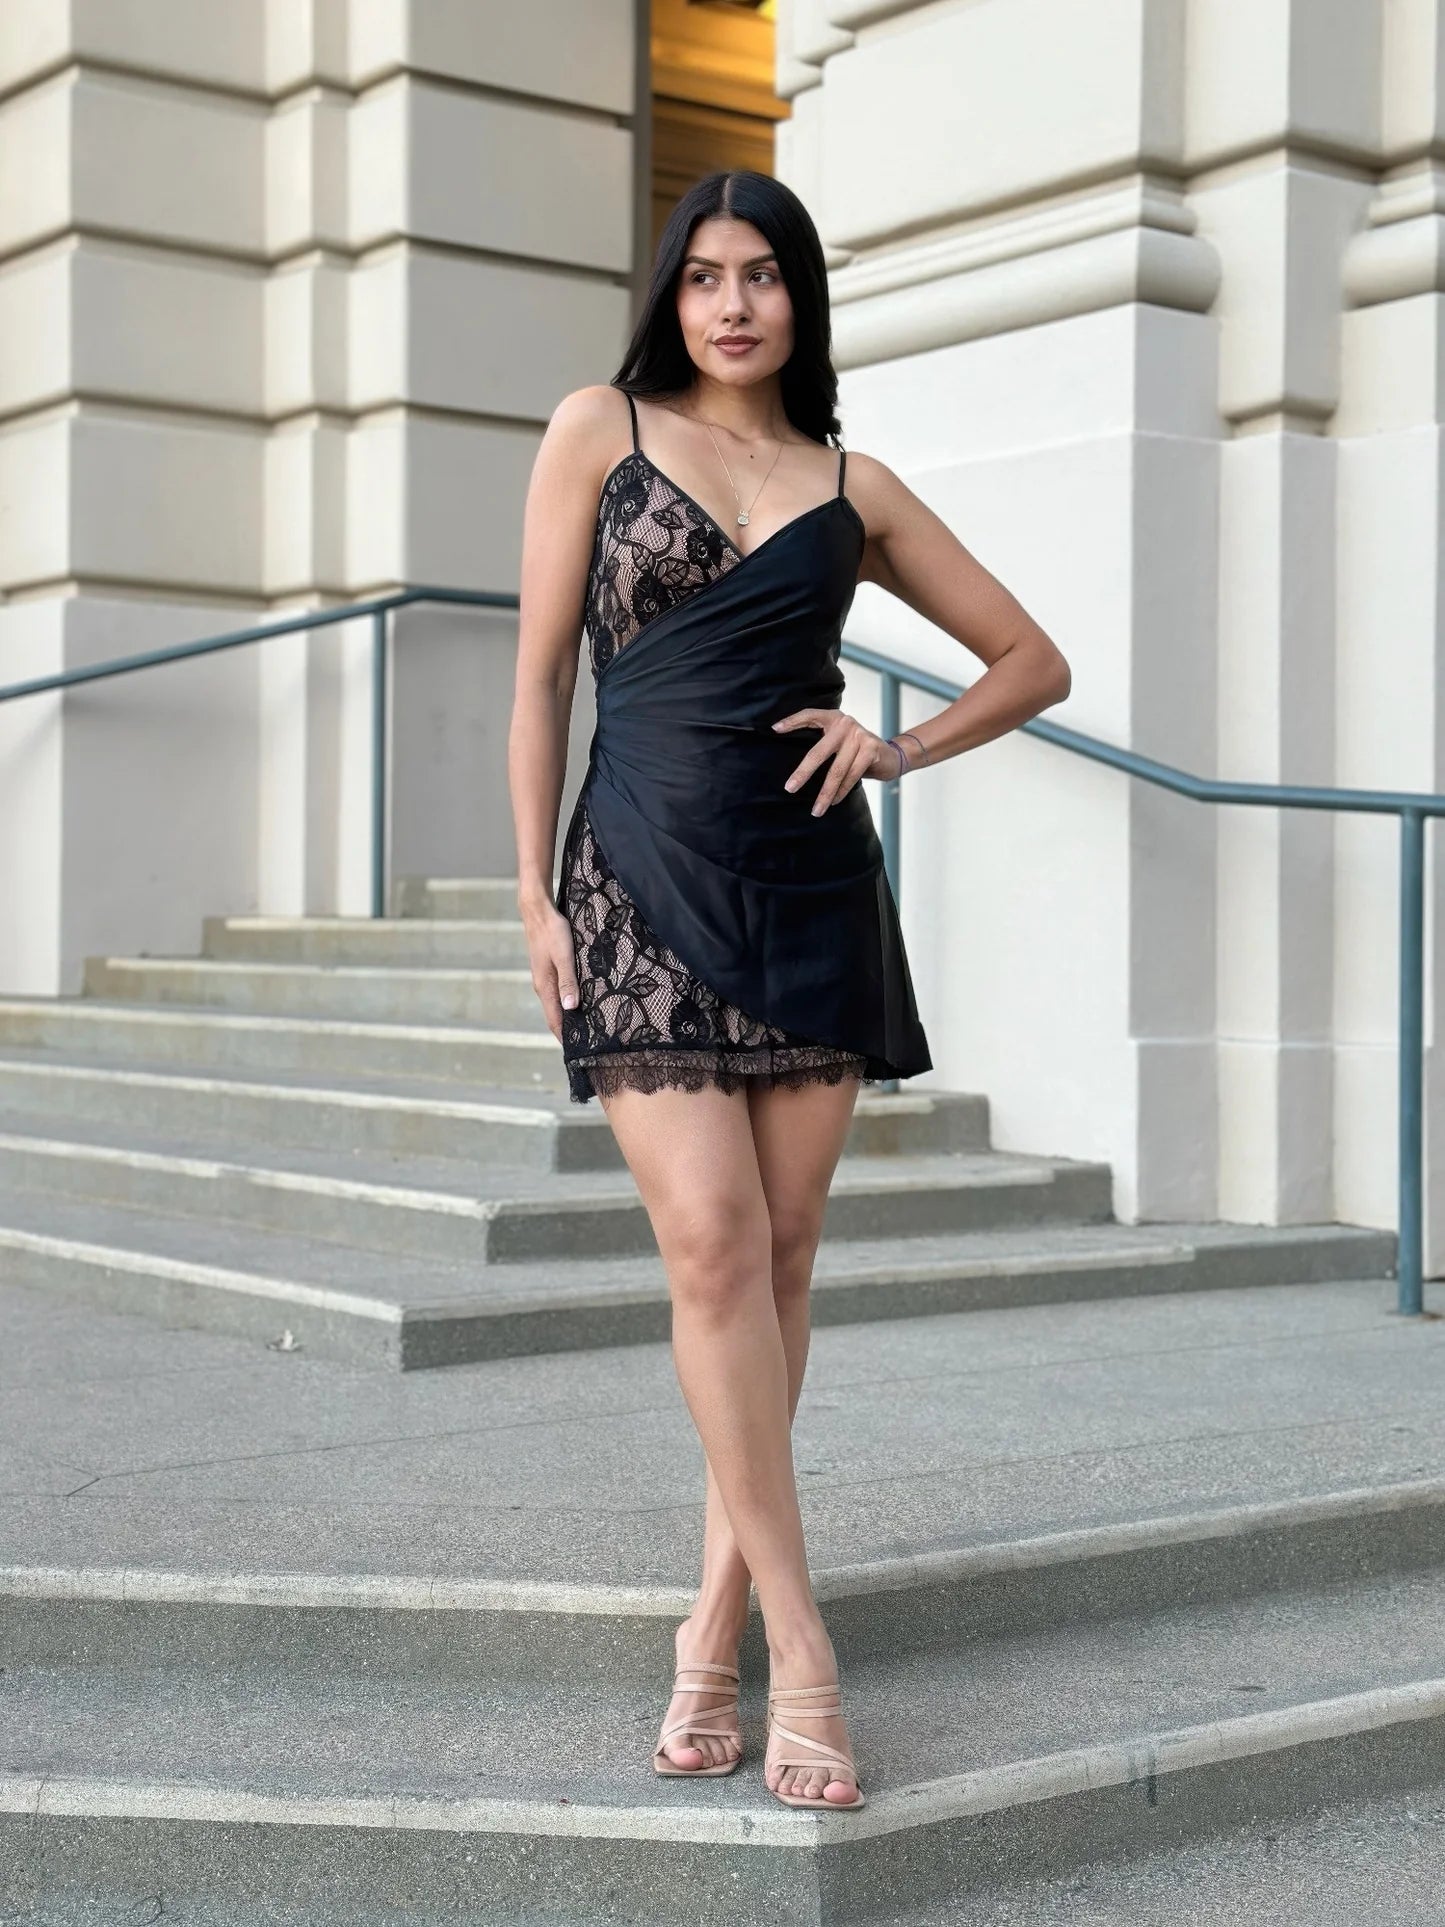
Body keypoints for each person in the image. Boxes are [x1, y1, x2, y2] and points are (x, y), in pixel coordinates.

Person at [508, 169, 1070, 1812]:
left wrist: (893, 744)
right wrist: (532, 898)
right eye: (704, 276)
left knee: (787, 1253)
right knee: (712, 1243)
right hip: (637, 878)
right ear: (670, 296)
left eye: (762, 275)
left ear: (799, 299)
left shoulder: (851, 481)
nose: (733, 302)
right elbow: (541, 673)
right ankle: (803, 1651)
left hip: (812, 888)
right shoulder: (594, 431)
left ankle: (709, 1624)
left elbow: (1030, 658)